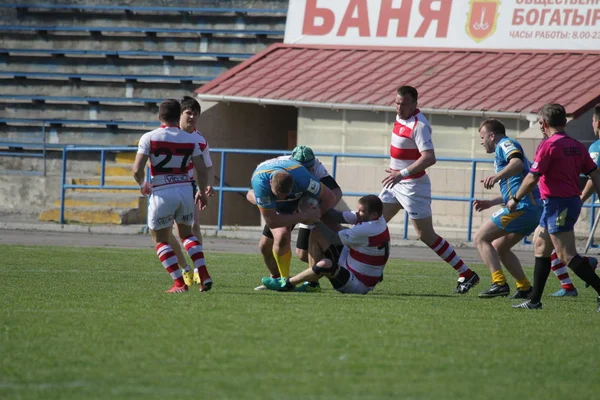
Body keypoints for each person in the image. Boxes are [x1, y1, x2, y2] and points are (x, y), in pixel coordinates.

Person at [379, 85, 479, 294]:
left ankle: (467, 274)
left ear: (415, 104)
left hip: (413, 186)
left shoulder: (419, 125)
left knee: (425, 235)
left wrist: (402, 173)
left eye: (404, 104)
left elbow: (429, 157)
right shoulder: (400, 118)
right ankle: (369, 269)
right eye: (397, 103)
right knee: (374, 223)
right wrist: (397, 172)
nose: (399, 107)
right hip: (394, 182)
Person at [507, 103, 600, 310]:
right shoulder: (576, 145)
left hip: (559, 204)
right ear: (565, 122)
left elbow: (532, 177)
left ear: (543, 123)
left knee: (566, 255)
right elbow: (594, 173)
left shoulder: (548, 145)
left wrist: (515, 198)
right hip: (561, 203)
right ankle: (534, 301)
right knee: (541, 246)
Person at [132, 99, 210, 293]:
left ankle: (179, 283)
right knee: (187, 235)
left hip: (162, 191)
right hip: (185, 190)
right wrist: (202, 191)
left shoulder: (149, 137)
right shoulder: (191, 139)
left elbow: (136, 169)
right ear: (178, 116)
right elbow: (202, 169)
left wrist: (142, 184)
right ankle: (203, 274)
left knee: (160, 239)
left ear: (160, 117)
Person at [261, 195, 389, 294]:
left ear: (373, 214)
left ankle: (286, 283)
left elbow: (334, 238)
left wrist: (315, 219)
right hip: (352, 261)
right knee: (317, 232)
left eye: (361, 211)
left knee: (325, 264)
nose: (357, 213)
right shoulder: (376, 219)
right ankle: (312, 284)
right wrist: (316, 208)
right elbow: (336, 216)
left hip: (359, 283)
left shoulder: (368, 228)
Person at [473, 119, 539, 298]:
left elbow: (517, 163)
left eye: (482, 136)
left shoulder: (505, 144)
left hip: (523, 206)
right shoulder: (503, 150)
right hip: (529, 208)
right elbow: (516, 187)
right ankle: (525, 287)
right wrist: (490, 203)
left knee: (480, 238)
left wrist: (495, 177)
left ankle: (499, 283)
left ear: (492, 135)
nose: (481, 141)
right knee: (499, 247)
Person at [257, 146, 343, 282]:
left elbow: (336, 193)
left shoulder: (318, 169)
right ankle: (277, 278)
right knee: (265, 245)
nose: (305, 172)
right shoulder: (276, 167)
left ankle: (331, 272)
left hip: (307, 205)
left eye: (308, 168)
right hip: (284, 205)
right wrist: (264, 201)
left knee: (303, 254)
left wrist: (316, 213)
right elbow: (251, 193)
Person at [166, 96, 214, 291]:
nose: (192, 116)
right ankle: (184, 268)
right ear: (180, 114)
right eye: (189, 112)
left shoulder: (200, 139)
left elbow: (208, 167)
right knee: (167, 233)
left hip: (188, 185)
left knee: (193, 225)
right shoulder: (168, 134)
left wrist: (207, 186)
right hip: (164, 187)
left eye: (196, 113)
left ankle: (197, 270)